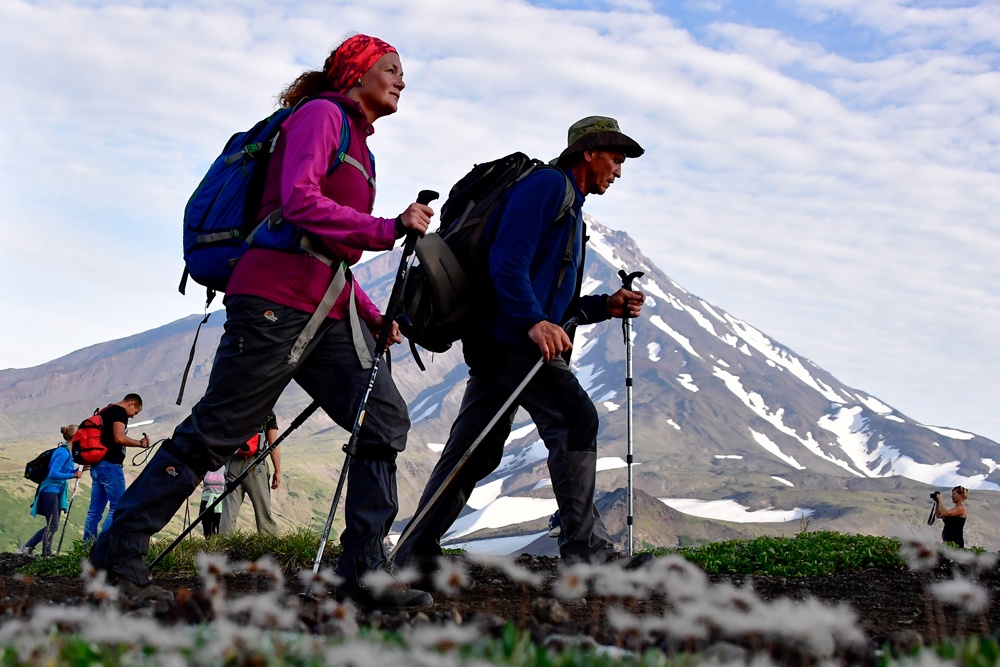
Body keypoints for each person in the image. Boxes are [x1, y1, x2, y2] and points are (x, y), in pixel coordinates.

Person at [88, 34, 433, 611]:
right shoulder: (321, 116)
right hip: (272, 300)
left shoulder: (362, 147)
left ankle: (364, 571)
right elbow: (299, 203)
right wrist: (387, 227)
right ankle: (117, 554)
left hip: (326, 310)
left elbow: (333, 254)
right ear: (356, 73)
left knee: (382, 422)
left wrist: (372, 316)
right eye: (391, 68)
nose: (402, 80)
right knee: (219, 433)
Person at [393, 116, 648, 578]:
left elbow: (555, 300)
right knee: (574, 418)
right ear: (588, 153)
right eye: (615, 157)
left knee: (475, 447)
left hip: (500, 340)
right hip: (512, 341)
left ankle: (415, 552)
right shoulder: (549, 187)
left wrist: (604, 306)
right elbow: (506, 259)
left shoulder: (570, 206)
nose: (619, 169)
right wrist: (532, 321)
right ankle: (585, 553)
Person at [83, 394, 151, 541]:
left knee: (95, 510)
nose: (133, 416)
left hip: (97, 465)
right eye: (136, 412)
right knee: (118, 506)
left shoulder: (105, 410)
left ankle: (87, 545)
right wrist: (141, 444)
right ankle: (103, 544)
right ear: (132, 404)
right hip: (110, 465)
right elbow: (119, 438)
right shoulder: (119, 412)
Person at [21, 425, 84, 556]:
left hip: (55, 490)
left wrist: (77, 471)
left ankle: (28, 547)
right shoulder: (63, 453)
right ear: (75, 437)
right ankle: (46, 553)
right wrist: (73, 475)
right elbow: (53, 473)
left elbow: (62, 471)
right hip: (50, 490)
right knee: (53, 524)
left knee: (52, 525)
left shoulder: (67, 452)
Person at [220, 411, 281, 535]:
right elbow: (273, 444)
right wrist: (277, 471)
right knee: (262, 509)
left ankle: (222, 547)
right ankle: (268, 546)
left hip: (233, 464)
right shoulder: (266, 410)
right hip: (256, 463)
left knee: (228, 510)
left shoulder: (232, 407)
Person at [199, 465, 227, 538]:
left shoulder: (227, 467)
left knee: (220, 525)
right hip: (206, 500)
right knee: (206, 525)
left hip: (221, 501)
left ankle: (220, 545)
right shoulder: (206, 466)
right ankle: (209, 544)